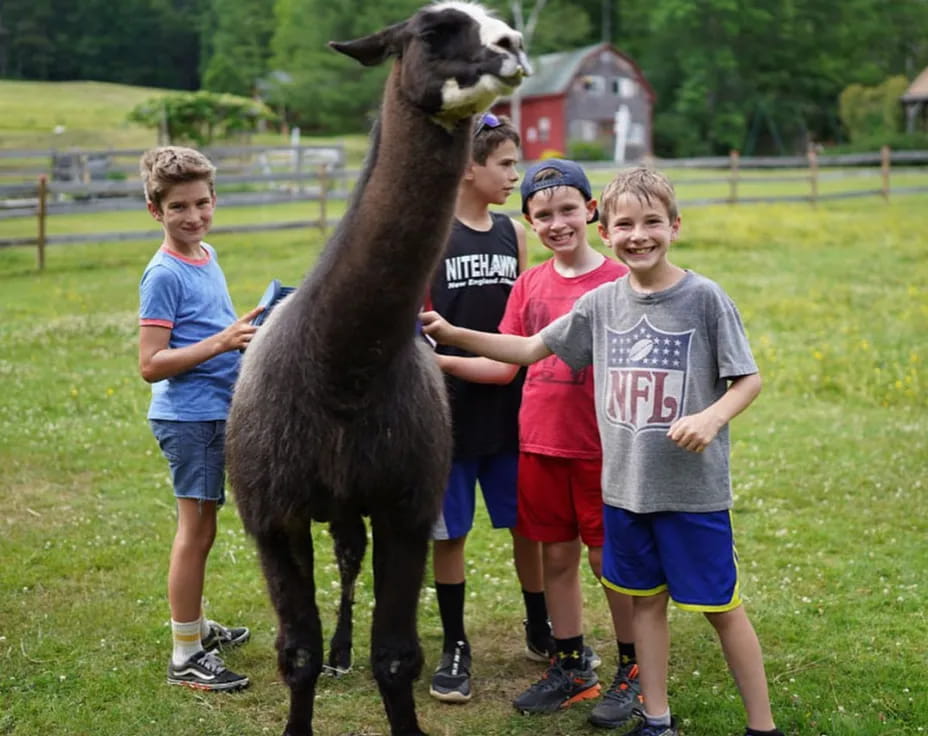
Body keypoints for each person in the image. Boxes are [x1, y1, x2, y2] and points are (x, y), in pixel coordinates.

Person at [420, 166, 784, 736]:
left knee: (720, 609)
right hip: (625, 489)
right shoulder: (600, 305)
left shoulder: (705, 298)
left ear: (675, 225)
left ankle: (763, 726)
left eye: (652, 223)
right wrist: (451, 333)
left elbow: (748, 379)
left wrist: (712, 417)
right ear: (607, 230)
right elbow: (525, 348)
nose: (639, 235)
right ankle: (656, 718)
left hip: (691, 492)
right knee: (644, 605)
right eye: (626, 225)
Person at [436, 158, 639, 718]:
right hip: (539, 446)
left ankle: (633, 667)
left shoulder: (621, 282)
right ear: (529, 219)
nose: (557, 223)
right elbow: (505, 364)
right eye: (543, 214)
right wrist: (442, 362)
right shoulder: (529, 284)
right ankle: (571, 665)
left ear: (591, 211)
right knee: (556, 560)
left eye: (568, 209)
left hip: (600, 448)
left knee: (608, 562)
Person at [425, 113, 549, 704]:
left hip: (510, 407)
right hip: (447, 412)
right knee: (449, 533)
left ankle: (540, 624)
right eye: (504, 164)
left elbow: (521, 318)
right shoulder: (429, 235)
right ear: (467, 168)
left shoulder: (512, 233)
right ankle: (455, 645)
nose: (514, 176)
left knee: (529, 523)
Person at [137, 146, 262, 692]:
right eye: (179, 207)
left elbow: (209, 328)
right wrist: (221, 341)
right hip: (189, 420)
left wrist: (245, 327)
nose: (193, 216)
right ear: (154, 211)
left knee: (206, 529)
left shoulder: (205, 253)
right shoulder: (162, 274)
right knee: (196, 531)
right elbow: (151, 363)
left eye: (202, 203)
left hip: (219, 412)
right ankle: (186, 652)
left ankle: (197, 625)